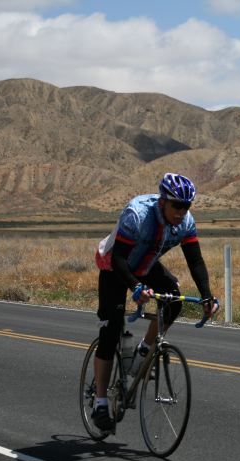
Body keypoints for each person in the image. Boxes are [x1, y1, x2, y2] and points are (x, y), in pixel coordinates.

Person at [91, 172, 218, 431]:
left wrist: (207, 295)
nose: (181, 212)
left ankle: (142, 352)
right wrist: (136, 287)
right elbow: (119, 261)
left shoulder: (186, 222)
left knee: (174, 300)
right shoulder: (137, 214)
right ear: (163, 201)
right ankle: (100, 401)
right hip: (115, 267)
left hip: (146, 263)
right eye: (177, 206)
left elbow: (195, 261)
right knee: (111, 329)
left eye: (187, 206)